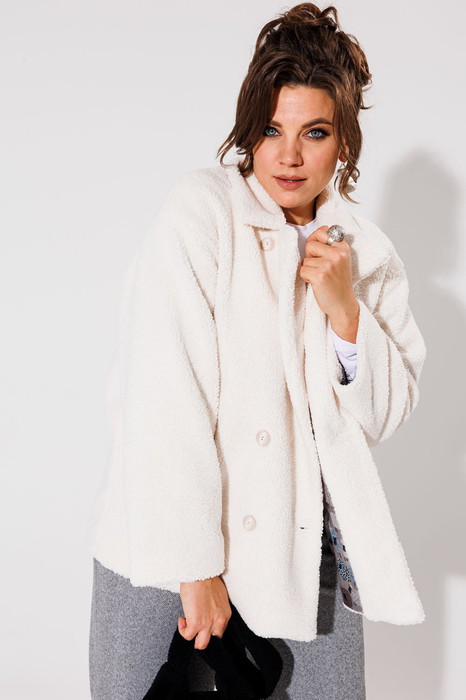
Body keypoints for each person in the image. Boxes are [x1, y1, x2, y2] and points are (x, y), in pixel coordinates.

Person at [87, 3, 427, 699]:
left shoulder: (366, 255)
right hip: (169, 546)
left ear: (344, 142)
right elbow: (164, 392)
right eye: (272, 129)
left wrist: (345, 311)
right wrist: (196, 566)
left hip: (303, 559)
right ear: (249, 131)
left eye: (314, 132)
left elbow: (384, 416)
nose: (289, 156)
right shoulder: (201, 212)